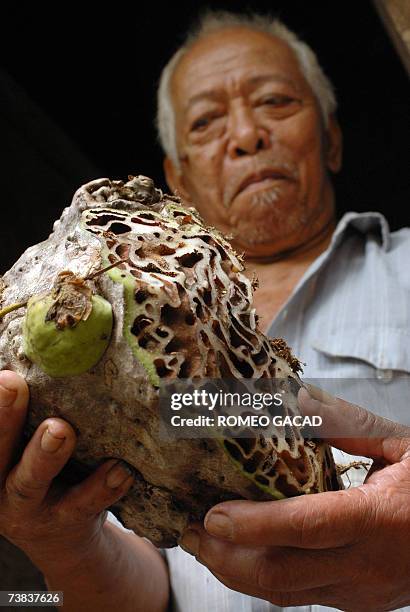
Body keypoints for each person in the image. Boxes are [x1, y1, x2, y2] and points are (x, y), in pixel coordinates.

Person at [1, 10, 410, 612]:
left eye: (276, 101)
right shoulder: (112, 363)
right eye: (207, 121)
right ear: (175, 180)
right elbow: (145, 593)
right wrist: (61, 543)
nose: (246, 134)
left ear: (333, 140)